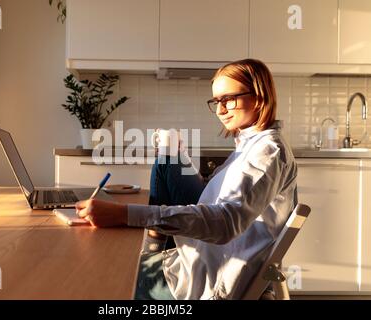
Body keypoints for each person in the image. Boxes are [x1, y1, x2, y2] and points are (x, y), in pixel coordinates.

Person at [75, 59, 298, 300]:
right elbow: (214, 198)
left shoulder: (268, 151)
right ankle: (153, 246)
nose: (221, 110)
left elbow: (224, 223)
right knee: (167, 161)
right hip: (207, 255)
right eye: (216, 102)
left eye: (229, 99)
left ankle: (152, 249)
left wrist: (123, 214)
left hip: (210, 281)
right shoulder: (251, 143)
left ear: (259, 96)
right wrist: (179, 155)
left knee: (111, 275)